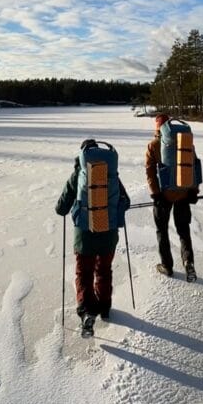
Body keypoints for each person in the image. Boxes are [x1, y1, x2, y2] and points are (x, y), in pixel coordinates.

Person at [56, 139, 130, 331]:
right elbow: (126, 202)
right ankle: (104, 307)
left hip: (84, 236)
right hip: (109, 234)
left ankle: (87, 310)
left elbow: (61, 208)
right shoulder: (111, 173)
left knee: (84, 272)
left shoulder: (79, 174)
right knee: (104, 271)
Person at [145, 114, 199, 280]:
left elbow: (150, 170)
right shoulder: (185, 142)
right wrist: (193, 190)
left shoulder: (153, 145)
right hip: (183, 192)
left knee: (162, 231)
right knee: (183, 230)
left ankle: (167, 266)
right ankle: (188, 261)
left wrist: (155, 193)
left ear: (157, 128)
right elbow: (194, 165)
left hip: (163, 195)